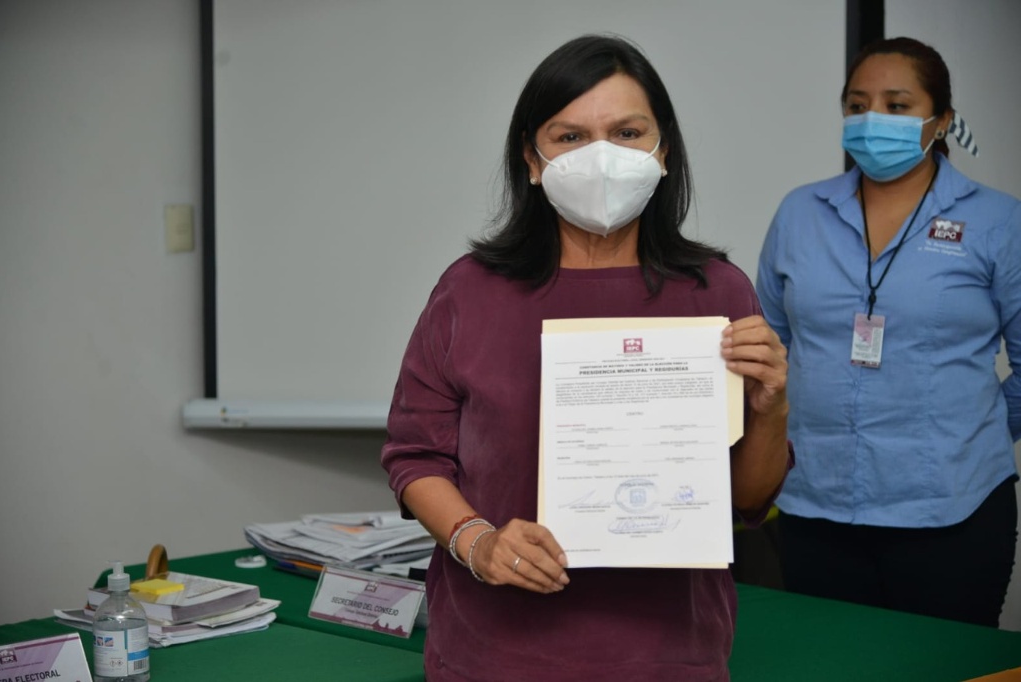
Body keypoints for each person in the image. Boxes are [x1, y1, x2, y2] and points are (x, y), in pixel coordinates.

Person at [381, 34, 791, 681]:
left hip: (669, 654)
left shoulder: (717, 293)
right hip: (493, 653)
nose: (602, 157)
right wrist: (478, 543)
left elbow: (746, 500)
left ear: (663, 151)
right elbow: (415, 456)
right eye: (570, 136)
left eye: (627, 133)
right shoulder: (470, 290)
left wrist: (772, 407)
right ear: (532, 158)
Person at [756, 36, 1021, 627]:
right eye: (858, 105)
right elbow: (770, 348)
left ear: (941, 119)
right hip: (814, 502)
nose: (873, 118)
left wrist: (964, 433)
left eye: (897, 105)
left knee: (948, 664)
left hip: (952, 508)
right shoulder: (800, 213)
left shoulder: (998, 221)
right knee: (831, 661)